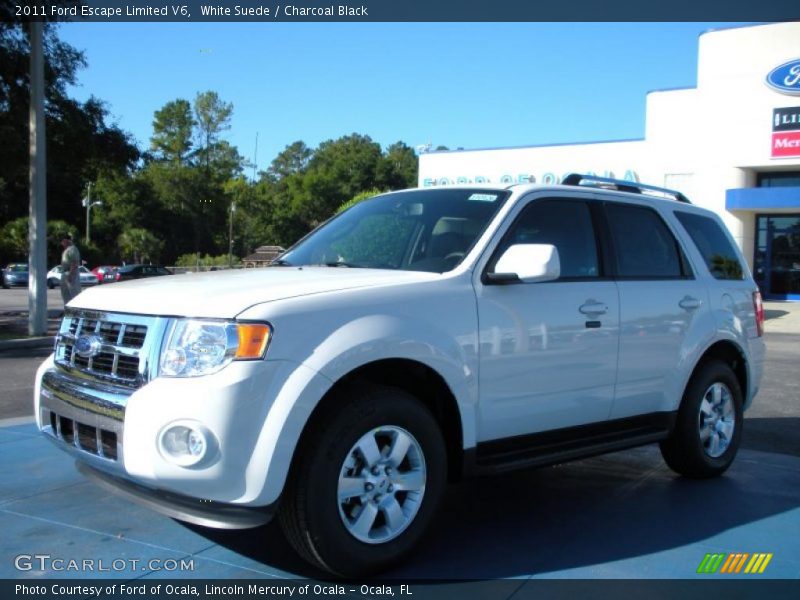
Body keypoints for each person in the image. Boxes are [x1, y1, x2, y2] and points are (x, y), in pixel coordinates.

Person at [59, 233, 82, 305]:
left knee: (74, 294)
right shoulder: (66, 250)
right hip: (64, 273)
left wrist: (70, 275)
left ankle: (76, 311)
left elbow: (74, 263)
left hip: (71, 274)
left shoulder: (72, 249)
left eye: (62, 241)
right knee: (65, 295)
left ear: (66, 240)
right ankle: (67, 310)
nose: (62, 243)